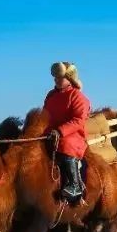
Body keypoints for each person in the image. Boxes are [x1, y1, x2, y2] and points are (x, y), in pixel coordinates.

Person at [44, 61, 91, 204]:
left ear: (69, 78)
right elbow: (44, 114)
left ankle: (75, 186)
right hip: (50, 133)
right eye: (56, 77)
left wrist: (60, 131)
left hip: (72, 135)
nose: (57, 80)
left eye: (60, 77)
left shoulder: (78, 97)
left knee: (66, 146)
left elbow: (79, 120)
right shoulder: (50, 96)